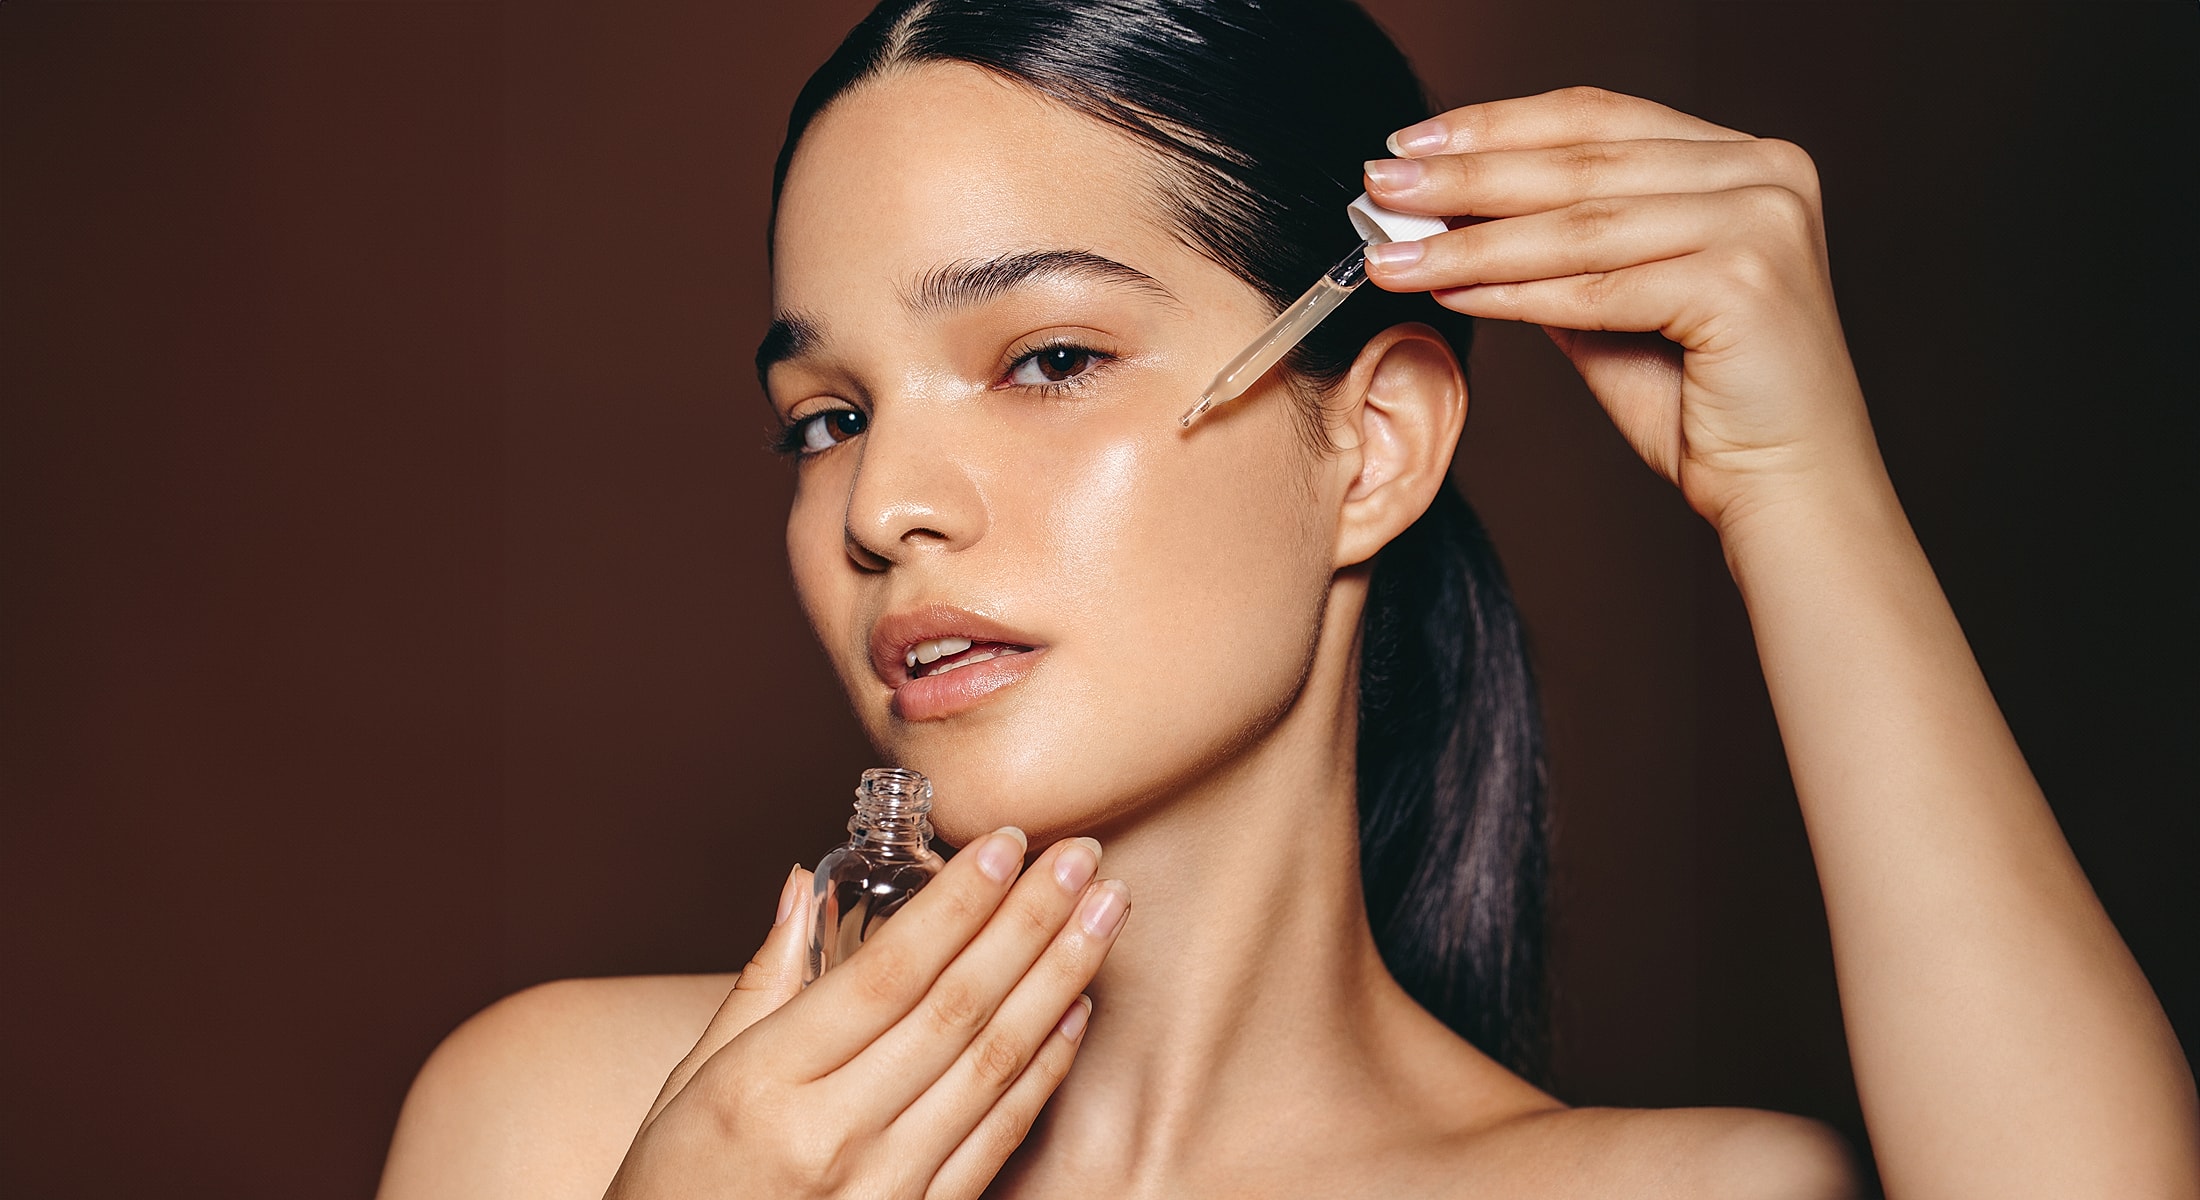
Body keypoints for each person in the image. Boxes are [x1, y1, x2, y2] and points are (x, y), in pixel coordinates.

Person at [374, 1, 2199, 1196]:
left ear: (1375, 446)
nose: (885, 507)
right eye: (827, 417)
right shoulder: (562, 1126)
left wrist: (1796, 487)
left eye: (1048, 356)